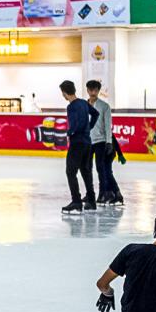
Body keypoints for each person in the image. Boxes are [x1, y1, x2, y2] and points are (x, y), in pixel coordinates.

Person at [59, 79, 98, 215]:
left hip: (77, 143)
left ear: (64, 92)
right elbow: (95, 114)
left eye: (62, 93)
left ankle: (76, 201)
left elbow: (76, 124)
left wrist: (71, 131)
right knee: (86, 172)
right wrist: (89, 127)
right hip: (87, 143)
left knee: (71, 172)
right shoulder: (83, 103)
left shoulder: (72, 107)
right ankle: (92, 200)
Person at [86, 80, 121, 207]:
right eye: (91, 89)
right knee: (87, 169)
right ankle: (90, 194)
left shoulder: (104, 106)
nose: (93, 92)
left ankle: (102, 193)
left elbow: (108, 126)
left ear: (98, 91)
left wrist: (109, 142)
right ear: (87, 90)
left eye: (95, 90)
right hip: (88, 142)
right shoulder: (84, 105)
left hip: (101, 142)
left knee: (101, 169)